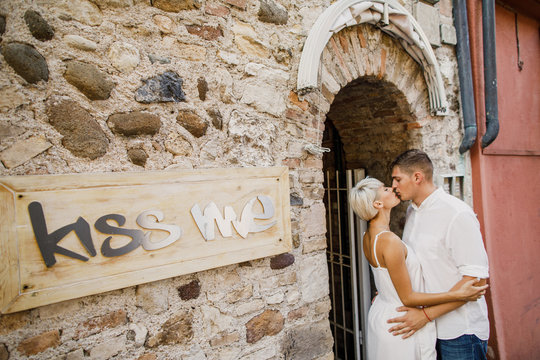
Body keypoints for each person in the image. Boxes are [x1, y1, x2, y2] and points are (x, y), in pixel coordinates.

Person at [349, 177, 487, 360]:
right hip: (402, 319)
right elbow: (408, 297)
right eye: (386, 189)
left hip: (384, 313)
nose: (393, 189)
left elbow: (386, 278)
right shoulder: (389, 241)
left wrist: (386, 291)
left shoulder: (368, 236)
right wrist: (459, 294)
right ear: (378, 203)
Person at [389, 149, 490, 360]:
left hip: (461, 332)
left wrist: (425, 316)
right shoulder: (412, 212)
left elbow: (476, 281)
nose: (393, 186)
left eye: (397, 179)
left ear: (417, 177)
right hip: (427, 331)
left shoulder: (457, 214)